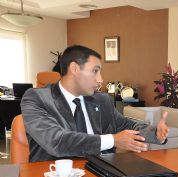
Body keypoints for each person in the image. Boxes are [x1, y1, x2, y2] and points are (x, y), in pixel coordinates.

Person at [21, 45, 169, 162]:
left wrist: (156, 133)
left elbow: (126, 126)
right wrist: (113, 140)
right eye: (95, 71)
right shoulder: (37, 98)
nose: (100, 80)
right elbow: (57, 141)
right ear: (74, 69)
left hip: (101, 174)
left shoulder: (101, 100)